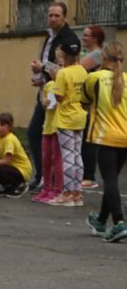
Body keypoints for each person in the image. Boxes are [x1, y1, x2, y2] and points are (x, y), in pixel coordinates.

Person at [27, 2, 80, 189]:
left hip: (59, 97)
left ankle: (54, 180)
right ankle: (42, 175)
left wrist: (43, 68)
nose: (53, 19)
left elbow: (67, 70)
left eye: (57, 16)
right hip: (45, 92)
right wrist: (40, 77)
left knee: (53, 140)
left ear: (65, 17)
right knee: (34, 134)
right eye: (50, 15)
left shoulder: (69, 39)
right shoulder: (49, 37)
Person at [83, 41, 127, 243]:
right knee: (113, 180)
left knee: (109, 180)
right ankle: (101, 220)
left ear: (104, 57)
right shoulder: (126, 80)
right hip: (125, 135)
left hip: (106, 136)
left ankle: (118, 222)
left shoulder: (95, 78)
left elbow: (84, 101)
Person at [48, 41, 88, 207]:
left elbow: (59, 97)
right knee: (77, 154)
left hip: (65, 117)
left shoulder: (63, 73)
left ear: (64, 55)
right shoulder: (83, 71)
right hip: (80, 115)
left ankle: (66, 193)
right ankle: (77, 192)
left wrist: (54, 79)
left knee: (67, 155)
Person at [31, 72, 63, 204]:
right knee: (46, 159)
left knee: (56, 159)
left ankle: (58, 189)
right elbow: (45, 103)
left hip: (58, 126)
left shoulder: (62, 85)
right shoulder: (49, 85)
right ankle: (46, 187)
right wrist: (45, 103)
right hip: (47, 127)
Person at [80, 24, 106, 189]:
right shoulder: (85, 53)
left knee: (88, 140)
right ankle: (83, 173)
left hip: (92, 101)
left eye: (87, 35)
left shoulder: (97, 54)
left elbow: (79, 68)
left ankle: (89, 176)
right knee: (82, 139)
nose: (83, 38)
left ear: (95, 38)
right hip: (83, 99)